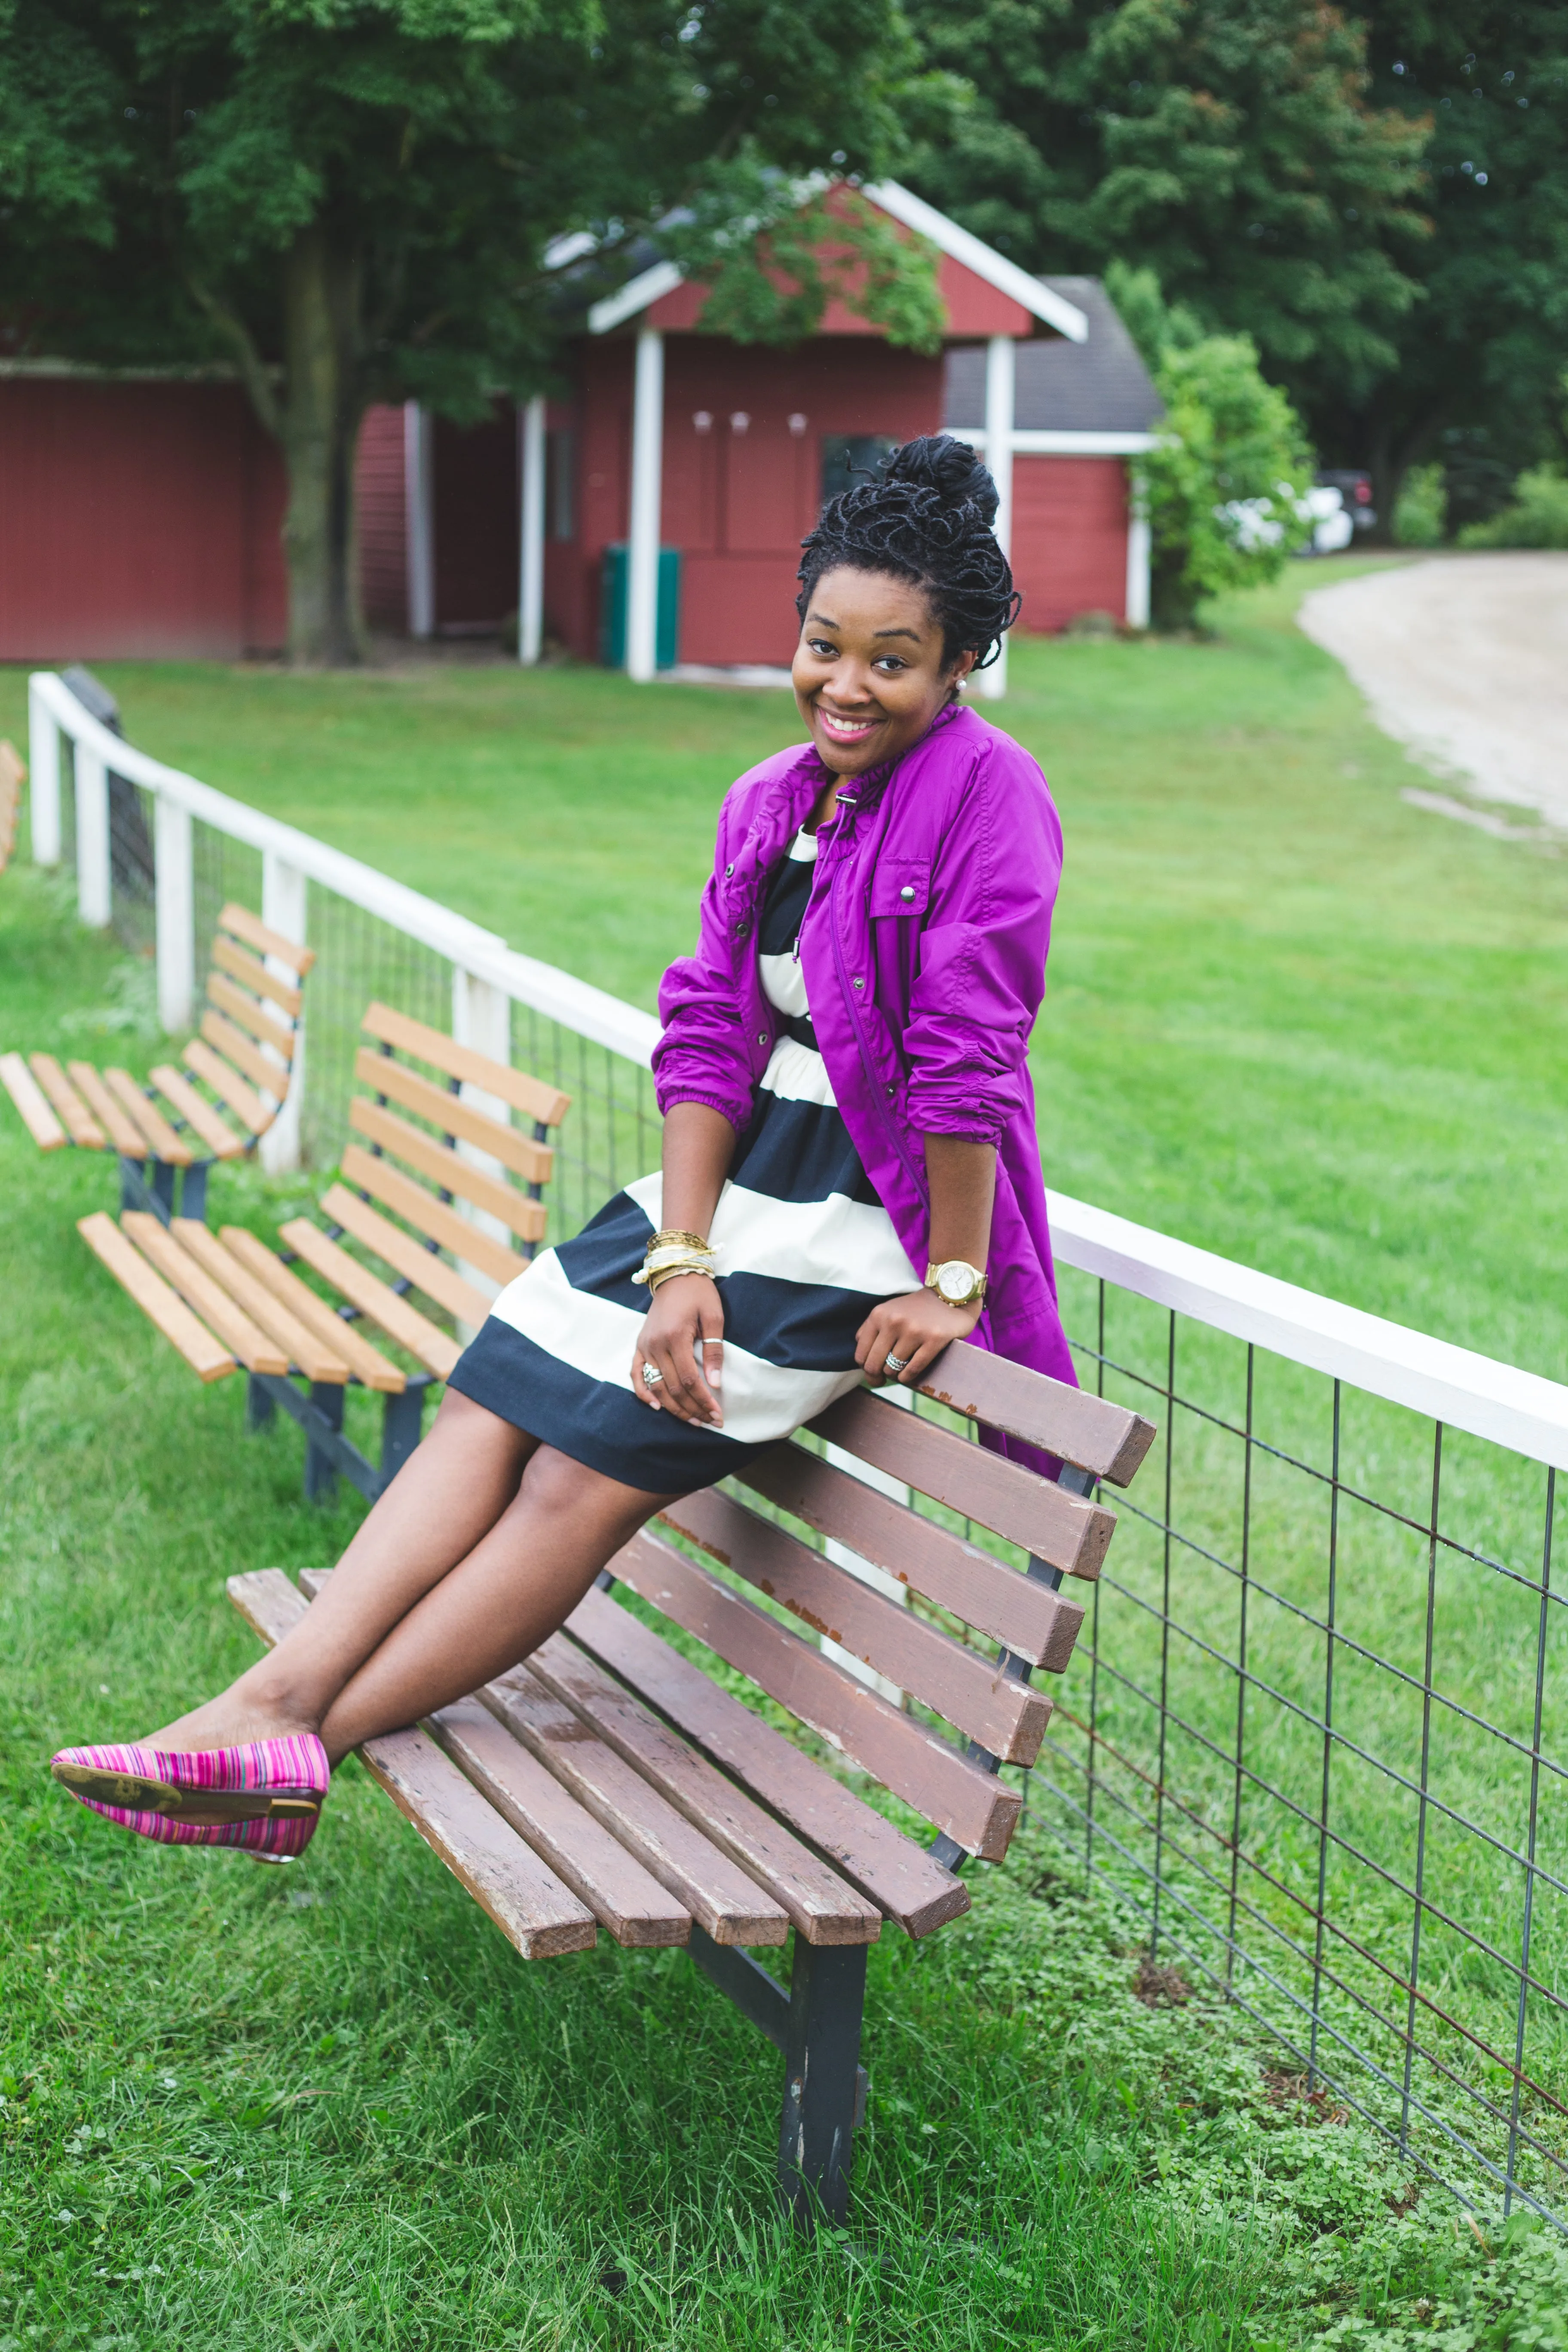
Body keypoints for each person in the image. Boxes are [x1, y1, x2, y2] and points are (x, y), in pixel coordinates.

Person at [51, 433, 1078, 1862]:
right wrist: (680, 1253)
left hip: (862, 1218)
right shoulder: (770, 800)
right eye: (821, 645)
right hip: (738, 1191)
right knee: (495, 1395)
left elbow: (970, 1061)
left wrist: (953, 1282)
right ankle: (270, 1697)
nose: (844, 685)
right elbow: (711, 1029)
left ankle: (301, 1747)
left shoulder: (991, 798)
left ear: (958, 661)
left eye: (891, 661)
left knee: (574, 1480)